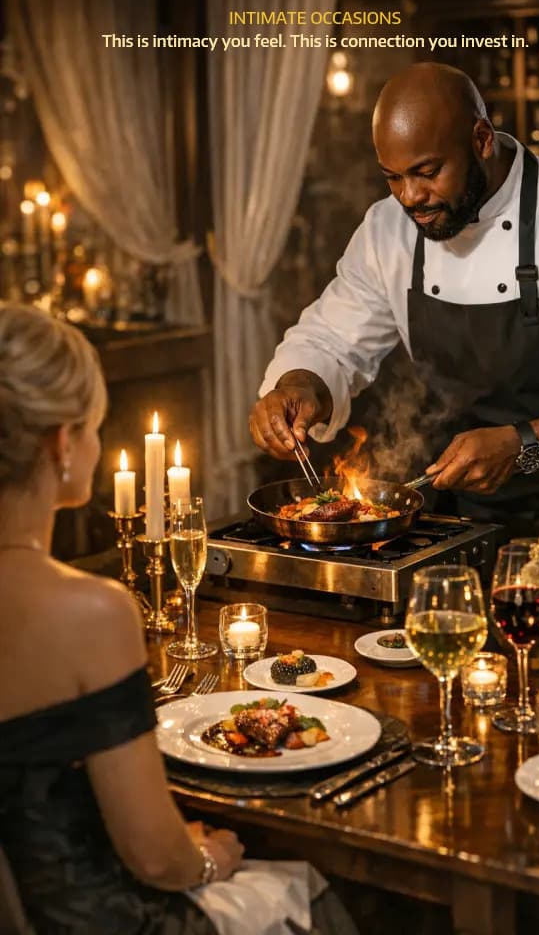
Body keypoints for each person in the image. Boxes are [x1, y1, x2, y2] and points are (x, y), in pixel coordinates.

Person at [0, 304, 358, 935]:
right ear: (61, 443)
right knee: (307, 891)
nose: (92, 443)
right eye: (93, 428)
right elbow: (157, 858)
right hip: (88, 922)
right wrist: (206, 857)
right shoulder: (89, 612)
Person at [250, 62, 539, 537]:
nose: (411, 197)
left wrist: (522, 444)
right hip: (450, 522)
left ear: (481, 139)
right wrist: (300, 387)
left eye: (427, 172)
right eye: (392, 178)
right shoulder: (387, 230)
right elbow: (331, 339)